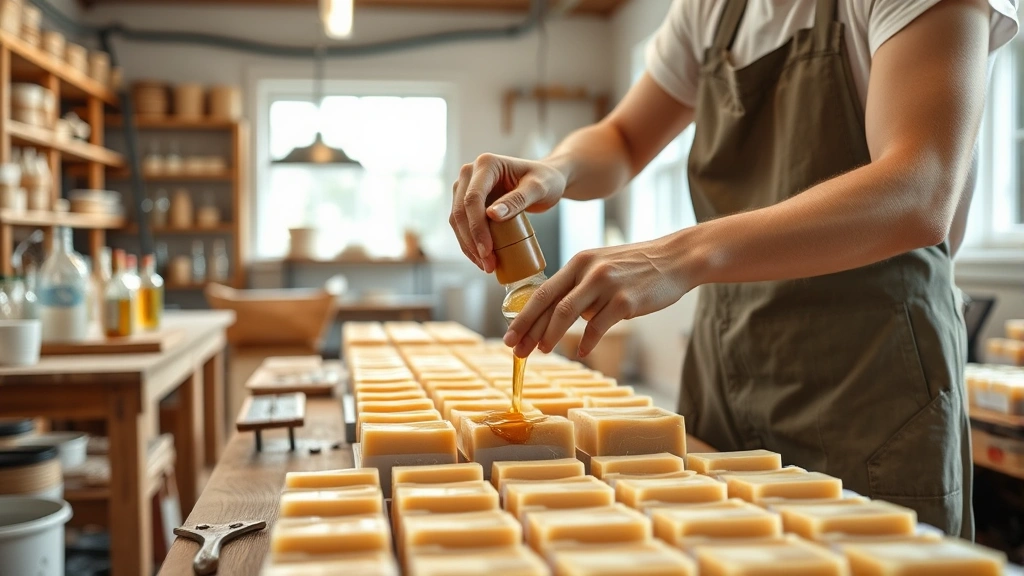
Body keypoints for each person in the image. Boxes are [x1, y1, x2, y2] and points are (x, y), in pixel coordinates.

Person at [449, 0, 1019, 536]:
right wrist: (555, 170)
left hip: (868, 387)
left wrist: (679, 255)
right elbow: (623, 138)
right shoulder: (711, 9)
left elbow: (919, 188)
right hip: (727, 369)